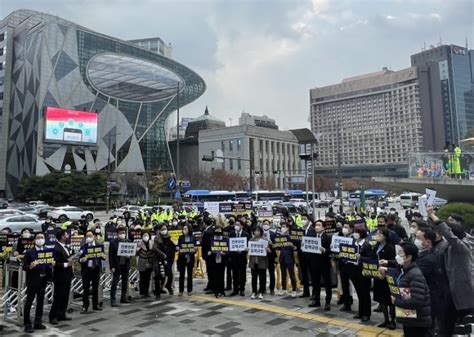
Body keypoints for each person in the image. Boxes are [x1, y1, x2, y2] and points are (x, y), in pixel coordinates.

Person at [428, 207, 474, 336]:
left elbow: (448, 234)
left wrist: (433, 216)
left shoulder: (463, 247)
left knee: (465, 326)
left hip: (463, 294)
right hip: (449, 291)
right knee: (446, 323)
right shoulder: (447, 246)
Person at [391, 242, 432, 337]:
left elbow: (417, 301)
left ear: (409, 257)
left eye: (400, 253)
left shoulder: (415, 275)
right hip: (410, 319)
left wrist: (396, 301)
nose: (397, 256)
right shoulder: (406, 270)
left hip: (417, 322)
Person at [22, 233, 53, 333]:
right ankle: (27, 324)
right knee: (29, 302)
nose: (40, 239)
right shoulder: (30, 252)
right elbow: (24, 267)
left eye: (42, 238)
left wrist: (52, 265)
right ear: (35, 240)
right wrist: (30, 267)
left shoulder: (47, 251)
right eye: (38, 238)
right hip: (32, 281)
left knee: (40, 302)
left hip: (43, 280)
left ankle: (37, 322)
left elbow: (48, 264)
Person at [372, 228, 396, 329]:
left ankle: (392, 320)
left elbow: (394, 262)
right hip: (378, 275)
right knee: (381, 298)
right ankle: (385, 319)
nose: (377, 235)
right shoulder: (376, 245)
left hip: (387, 276)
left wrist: (386, 264)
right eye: (377, 233)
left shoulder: (390, 247)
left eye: (380, 234)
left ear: (385, 236)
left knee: (389, 299)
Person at [49, 229, 73, 325]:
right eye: (66, 234)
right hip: (60, 275)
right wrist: (67, 264)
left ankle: (62, 313)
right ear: (62, 236)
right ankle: (53, 316)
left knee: (65, 296)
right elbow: (55, 263)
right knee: (58, 296)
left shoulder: (66, 246)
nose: (67, 235)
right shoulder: (56, 248)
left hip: (67, 274)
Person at [308, 220, 332, 310]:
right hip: (314, 263)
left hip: (324, 264)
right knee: (315, 283)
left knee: (327, 283)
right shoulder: (312, 237)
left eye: (319, 225)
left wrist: (325, 250)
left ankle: (328, 302)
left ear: (323, 227)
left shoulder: (327, 237)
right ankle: (316, 301)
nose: (316, 227)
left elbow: (332, 249)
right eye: (316, 225)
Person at [79, 230, 104, 314]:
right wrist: (82, 259)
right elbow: (79, 259)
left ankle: (95, 305)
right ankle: (85, 306)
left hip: (96, 269)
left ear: (94, 236)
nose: (88, 238)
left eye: (90, 236)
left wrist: (103, 257)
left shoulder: (99, 246)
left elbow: (103, 256)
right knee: (85, 289)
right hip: (86, 270)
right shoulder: (83, 246)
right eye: (87, 236)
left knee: (95, 288)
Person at [350, 226, 372, 322]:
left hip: (364, 271)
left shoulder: (367, 245)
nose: (354, 234)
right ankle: (360, 311)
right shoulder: (353, 243)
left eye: (356, 232)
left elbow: (371, 259)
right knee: (359, 292)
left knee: (365, 293)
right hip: (354, 270)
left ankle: (366, 313)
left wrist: (361, 257)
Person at [109, 226, 131, 306]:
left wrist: (129, 256)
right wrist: (112, 266)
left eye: (124, 233)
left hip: (125, 264)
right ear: (117, 234)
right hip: (117, 265)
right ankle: (112, 299)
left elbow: (131, 252)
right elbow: (110, 256)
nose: (122, 234)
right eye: (121, 233)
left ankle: (123, 298)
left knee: (125, 283)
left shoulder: (128, 241)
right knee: (115, 283)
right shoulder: (113, 242)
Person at [228, 221, 251, 296]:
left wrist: (245, 250)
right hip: (233, 257)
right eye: (235, 225)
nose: (236, 226)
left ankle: (242, 289)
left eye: (238, 225)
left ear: (242, 226)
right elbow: (229, 245)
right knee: (234, 274)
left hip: (242, 257)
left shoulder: (246, 235)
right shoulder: (231, 234)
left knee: (242, 274)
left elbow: (248, 245)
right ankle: (235, 289)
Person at [275, 222, 297, 298]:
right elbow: (277, 247)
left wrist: (293, 246)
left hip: (290, 258)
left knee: (292, 275)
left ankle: (294, 290)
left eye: (284, 226)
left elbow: (296, 248)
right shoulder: (280, 237)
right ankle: (284, 289)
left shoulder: (292, 237)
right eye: (281, 227)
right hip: (282, 258)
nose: (282, 228)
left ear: (288, 228)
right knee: (283, 275)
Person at [155, 224, 176, 295]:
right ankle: (161, 288)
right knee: (162, 274)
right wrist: (162, 254)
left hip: (169, 258)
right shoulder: (157, 238)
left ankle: (168, 285)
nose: (164, 231)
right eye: (162, 229)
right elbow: (155, 248)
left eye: (165, 229)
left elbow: (173, 246)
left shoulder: (169, 237)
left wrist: (176, 248)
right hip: (161, 259)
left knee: (170, 274)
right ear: (159, 230)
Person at [249, 226, 269, 300]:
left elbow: (268, 251)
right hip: (253, 262)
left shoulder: (264, 240)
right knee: (254, 278)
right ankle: (254, 292)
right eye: (255, 231)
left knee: (262, 278)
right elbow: (249, 250)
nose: (256, 232)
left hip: (262, 262)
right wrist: (247, 249)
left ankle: (261, 292)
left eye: (258, 231)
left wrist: (267, 249)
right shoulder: (251, 240)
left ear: (261, 232)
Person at [177, 223, 196, 296]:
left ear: (189, 229)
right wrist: (178, 248)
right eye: (183, 229)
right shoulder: (180, 237)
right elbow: (178, 245)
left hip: (190, 257)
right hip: (182, 257)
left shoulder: (193, 237)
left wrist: (195, 249)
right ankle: (181, 290)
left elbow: (195, 246)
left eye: (185, 229)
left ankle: (189, 290)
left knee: (190, 274)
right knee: (181, 274)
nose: (184, 230)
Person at [209, 227, 227, 298]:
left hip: (222, 259)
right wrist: (211, 252)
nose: (218, 232)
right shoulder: (211, 239)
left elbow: (228, 250)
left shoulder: (225, 239)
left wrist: (224, 253)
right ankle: (216, 291)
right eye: (216, 230)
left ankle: (222, 291)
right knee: (215, 275)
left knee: (222, 275)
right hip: (214, 259)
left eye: (219, 230)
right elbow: (209, 249)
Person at [136, 231, 154, 298]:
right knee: (142, 278)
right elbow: (136, 253)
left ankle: (146, 292)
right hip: (142, 262)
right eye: (144, 235)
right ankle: (142, 292)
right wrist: (138, 249)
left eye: (147, 235)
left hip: (149, 262)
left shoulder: (151, 243)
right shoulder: (139, 243)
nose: (146, 237)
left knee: (148, 277)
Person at [262, 220, 276, 295]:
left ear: (269, 225)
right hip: (262, 256)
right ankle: (263, 288)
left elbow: (276, 246)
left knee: (271, 273)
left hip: (271, 256)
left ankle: (272, 289)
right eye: (264, 224)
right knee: (262, 273)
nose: (265, 225)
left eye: (267, 224)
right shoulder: (259, 234)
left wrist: (272, 244)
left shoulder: (273, 234)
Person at [201, 217, 215, 293]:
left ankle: (211, 286)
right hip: (208, 253)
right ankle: (209, 285)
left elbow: (208, 243)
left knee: (210, 271)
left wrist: (209, 251)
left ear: (205, 223)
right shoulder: (208, 230)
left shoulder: (208, 232)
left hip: (209, 253)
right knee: (209, 270)